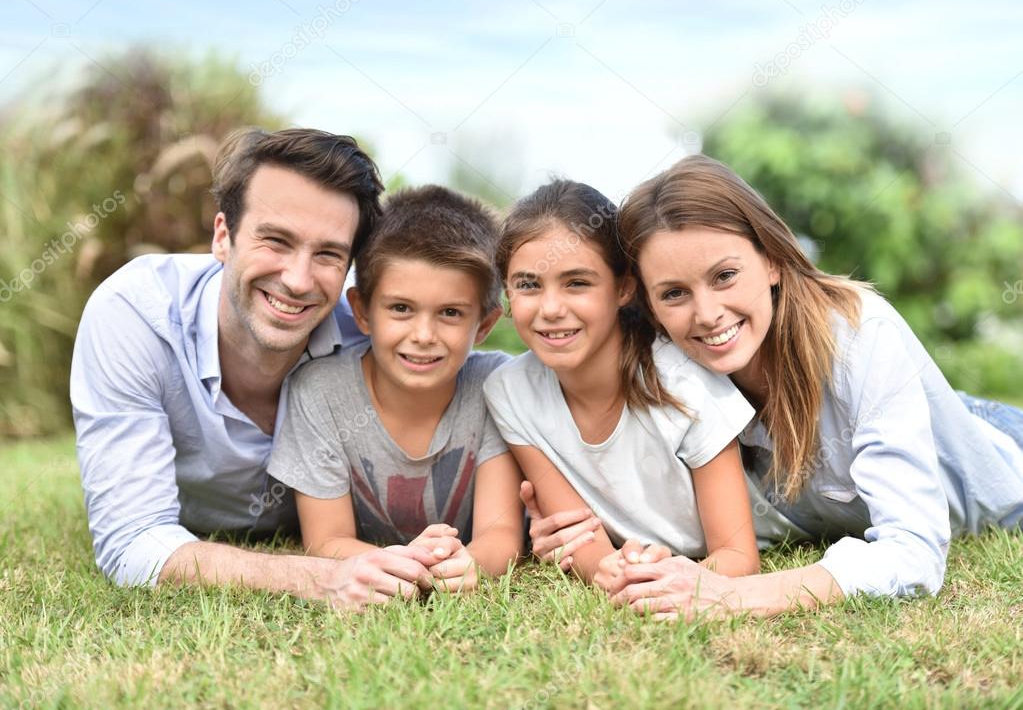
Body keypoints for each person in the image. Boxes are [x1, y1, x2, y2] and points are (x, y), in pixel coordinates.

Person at [591, 153, 1023, 619]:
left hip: (993, 445)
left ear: (773, 260)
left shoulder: (858, 333)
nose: (707, 313)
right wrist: (577, 531)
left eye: (725, 276)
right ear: (651, 306)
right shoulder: (672, 366)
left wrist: (733, 596)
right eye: (674, 293)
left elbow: (915, 553)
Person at [71, 127, 440, 608]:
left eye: (328, 254)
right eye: (276, 241)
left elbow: (485, 388)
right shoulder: (134, 313)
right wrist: (318, 579)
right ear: (223, 236)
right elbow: (132, 542)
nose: (297, 279)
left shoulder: (378, 335)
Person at [483, 180, 777, 594]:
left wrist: (662, 581)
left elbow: (737, 556)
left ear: (623, 287)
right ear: (509, 294)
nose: (551, 309)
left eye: (577, 283)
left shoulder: (682, 381)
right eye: (529, 285)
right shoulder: (509, 391)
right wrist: (608, 571)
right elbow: (577, 532)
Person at [268, 185, 523, 594]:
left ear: (486, 325)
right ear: (362, 311)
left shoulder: (495, 386)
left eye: (451, 313)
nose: (423, 335)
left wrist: (470, 564)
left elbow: (502, 536)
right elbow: (325, 540)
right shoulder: (320, 393)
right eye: (401, 308)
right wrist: (409, 564)